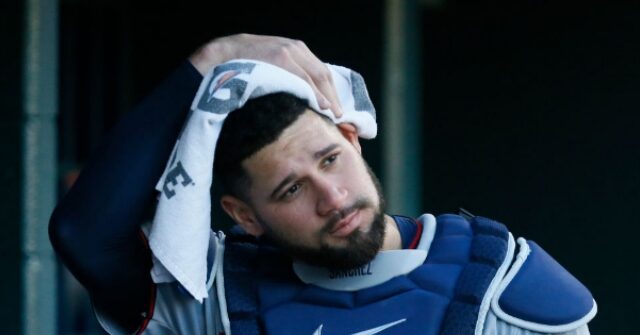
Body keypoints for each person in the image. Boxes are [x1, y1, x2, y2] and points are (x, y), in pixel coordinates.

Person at [49, 33, 596, 335]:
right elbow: (84, 234)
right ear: (244, 215)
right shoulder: (210, 297)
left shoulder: (501, 285)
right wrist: (213, 59)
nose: (332, 198)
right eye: (291, 190)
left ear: (353, 139)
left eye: (331, 159)